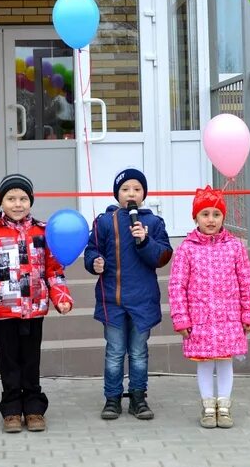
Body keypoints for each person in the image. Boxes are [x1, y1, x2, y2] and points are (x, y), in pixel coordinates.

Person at [0, 173, 74, 433]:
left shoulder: (42, 231)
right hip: (4, 312)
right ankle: (12, 409)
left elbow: (53, 269)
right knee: (9, 361)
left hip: (34, 310)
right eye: (11, 198)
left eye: (23, 198)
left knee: (31, 360)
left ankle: (34, 408)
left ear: (31, 201)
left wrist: (61, 296)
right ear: (1, 202)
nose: (18, 204)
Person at [84, 167, 173, 421]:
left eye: (136, 189)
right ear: (116, 195)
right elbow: (92, 250)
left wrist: (145, 241)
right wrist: (94, 263)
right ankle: (112, 398)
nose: (130, 194)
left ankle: (138, 397)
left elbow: (163, 256)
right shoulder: (104, 222)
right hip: (112, 300)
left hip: (142, 301)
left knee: (138, 352)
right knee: (114, 351)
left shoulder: (154, 222)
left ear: (144, 194)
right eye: (125, 189)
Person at [168, 186, 250, 429]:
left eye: (216, 215)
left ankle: (224, 405)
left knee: (225, 362)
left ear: (223, 218)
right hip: (200, 318)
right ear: (195, 217)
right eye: (205, 214)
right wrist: (181, 318)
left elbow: (247, 280)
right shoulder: (186, 249)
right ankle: (208, 407)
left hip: (229, 318)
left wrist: (249, 313)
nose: (211, 220)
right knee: (205, 363)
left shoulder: (235, 247)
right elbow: (177, 286)